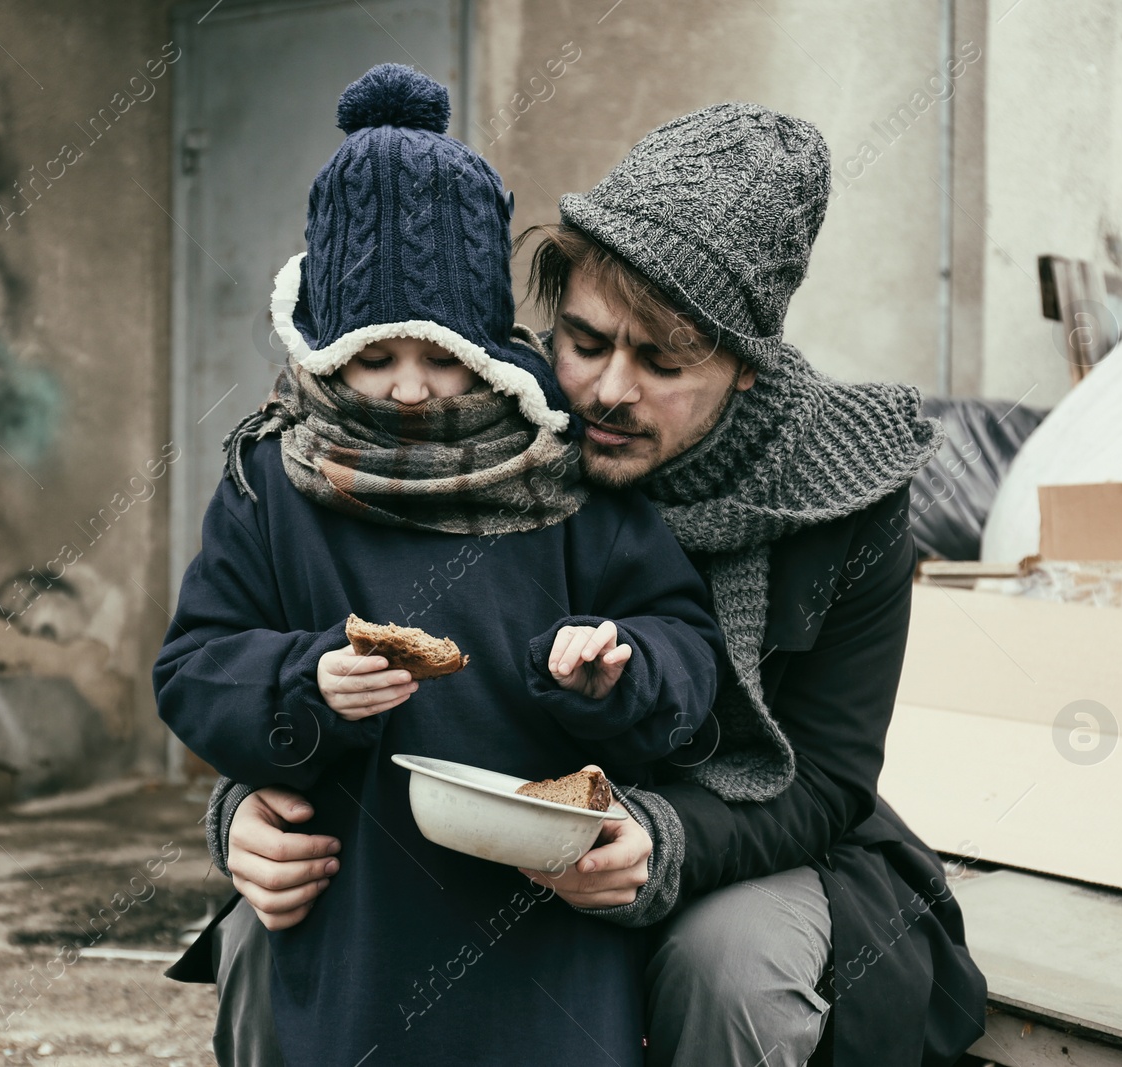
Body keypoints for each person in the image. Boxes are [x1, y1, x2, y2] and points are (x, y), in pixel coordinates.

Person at [193, 101, 990, 1067]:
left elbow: (826, 777)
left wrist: (663, 839)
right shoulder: (501, 425)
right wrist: (244, 807)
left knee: (730, 966)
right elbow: (309, 622)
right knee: (254, 931)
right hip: (500, 829)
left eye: (662, 361)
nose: (609, 390)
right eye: (585, 339)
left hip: (737, 830)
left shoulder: (843, 496)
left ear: (745, 366)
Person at [153, 65, 725, 1067]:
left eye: (443, 354)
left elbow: (687, 649)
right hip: (358, 925)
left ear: (491, 341)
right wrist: (302, 680)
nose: (411, 388)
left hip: (548, 930)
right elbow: (194, 668)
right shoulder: (273, 480)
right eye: (374, 358)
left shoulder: (568, 469)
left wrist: (619, 664)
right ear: (323, 344)